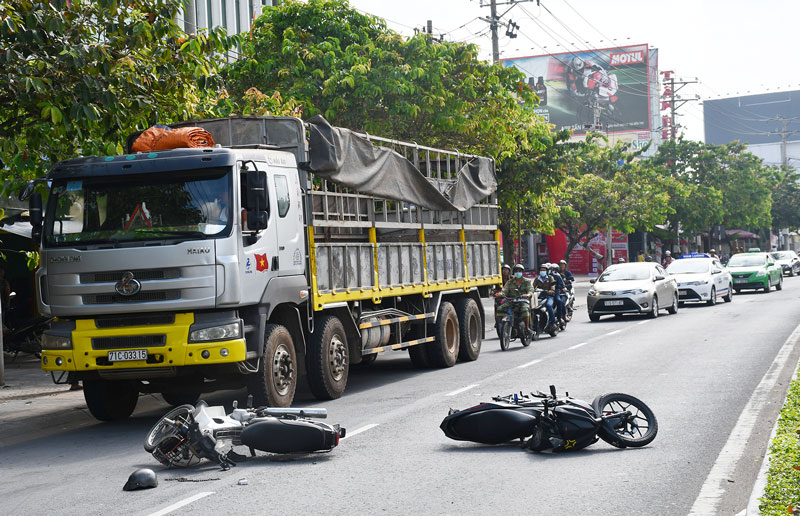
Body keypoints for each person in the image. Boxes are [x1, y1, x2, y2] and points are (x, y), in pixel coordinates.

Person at [496, 264, 534, 335]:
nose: (518, 272)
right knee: (500, 308)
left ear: (522, 272)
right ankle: (503, 326)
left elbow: (530, 290)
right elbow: (504, 290)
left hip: (523, 301)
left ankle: (527, 328)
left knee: (525, 310)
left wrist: (528, 295)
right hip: (511, 301)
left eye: (519, 271)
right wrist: (500, 294)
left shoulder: (527, 281)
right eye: (516, 271)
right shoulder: (509, 282)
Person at [532, 263, 557, 332]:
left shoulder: (550, 278)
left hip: (549, 296)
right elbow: (532, 288)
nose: (542, 271)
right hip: (539, 296)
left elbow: (553, 287)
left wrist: (550, 291)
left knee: (548, 305)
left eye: (544, 270)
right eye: (541, 270)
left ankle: (553, 323)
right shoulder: (537, 279)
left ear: (546, 271)